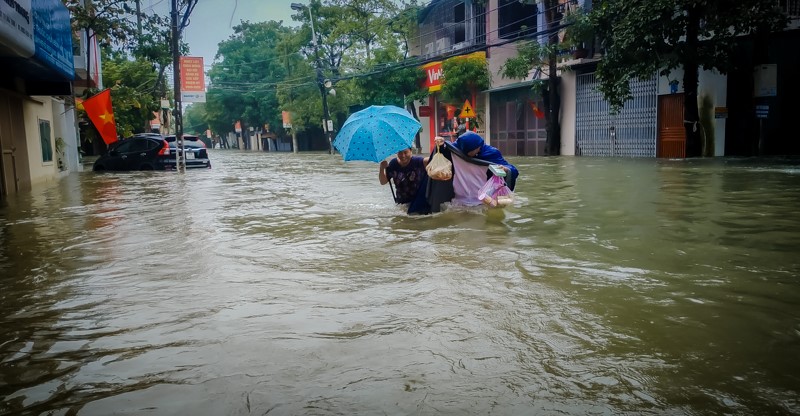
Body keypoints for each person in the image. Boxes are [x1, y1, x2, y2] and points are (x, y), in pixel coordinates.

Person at [439, 131, 519, 191]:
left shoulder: (491, 153)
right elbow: (446, 149)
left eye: (470, 151)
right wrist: (440, 144)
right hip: (461, 188)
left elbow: (513, 170)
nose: (466, 153)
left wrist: (505, 169)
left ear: (478, 147)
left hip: (483, 190)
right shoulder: (458, 146)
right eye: (465, 151)